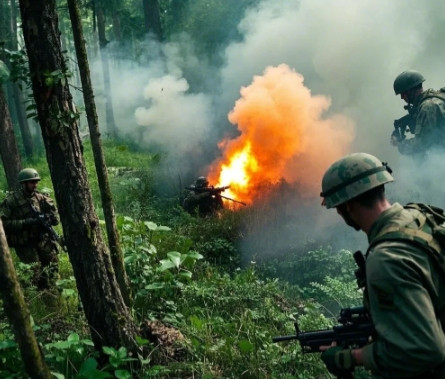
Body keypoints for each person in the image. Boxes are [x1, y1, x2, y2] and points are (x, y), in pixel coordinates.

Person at [319, 152, 445, 378]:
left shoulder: (386, 259)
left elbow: (425, 350)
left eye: (337, 206)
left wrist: (350, 357)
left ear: (347, 206)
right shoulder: (420, 217)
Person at [0, 168, 60, 290]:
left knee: (52, 269)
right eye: (32, 182)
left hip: (43, 240)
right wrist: (27, 222)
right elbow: (3, 223)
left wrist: (50, 217)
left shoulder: (41, 198)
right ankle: (33, 302)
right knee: (33, 275)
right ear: (24, 183)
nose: (35, 185)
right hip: (25, 243)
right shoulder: (11, 201)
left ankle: (53, 299)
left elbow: (55, 219)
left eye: (36, 182)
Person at [391, 70, 445, 155]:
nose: (402, 97)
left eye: (403, 93)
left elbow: (422, 144)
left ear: (410, 91)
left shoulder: (427, 107)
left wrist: (400, 144)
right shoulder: (438, 97)